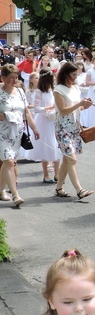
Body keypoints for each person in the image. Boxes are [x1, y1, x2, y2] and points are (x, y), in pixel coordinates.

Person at [53, 62, 94, 200]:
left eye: (77, 74)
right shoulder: (58, 89)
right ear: (66, 74)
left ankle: (59, 188)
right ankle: (79, 190)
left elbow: (76, 108)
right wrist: (80, 104)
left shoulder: (75, 87)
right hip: (63, 128)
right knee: (72, 158)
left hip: (74, 127)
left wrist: (84, 106)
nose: (76, 77)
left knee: (67, 158)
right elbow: (63, 110)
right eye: (73, 74)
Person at [0, 64, 40, 207]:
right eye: (11, 78)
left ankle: (0, 190)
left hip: (17, 132)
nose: (15, 80)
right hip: (1, 133)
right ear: (3, 78)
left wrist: (34, 128)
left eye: (16, 77)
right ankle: (15, 195)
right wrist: (4, 115)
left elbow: (26, 112)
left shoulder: (20, 92)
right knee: (9, 162)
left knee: (7, 163)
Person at [32, 70, 61, 184]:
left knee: (57, 145)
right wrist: (49, 108)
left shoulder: (54, 90)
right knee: (47, 145)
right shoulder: (39, 92)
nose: (54, 79)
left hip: (54, 119)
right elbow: (36, 108)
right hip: (44, 120)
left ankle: (57, 174)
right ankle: (46, 174)